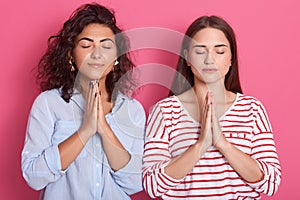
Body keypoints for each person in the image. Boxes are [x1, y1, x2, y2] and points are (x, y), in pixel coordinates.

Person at [142, 16, 281, 199]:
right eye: (200, 51)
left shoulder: (252, 109)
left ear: (231, 58)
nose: (210, 59)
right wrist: (201, 145)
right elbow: (152, 186)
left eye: (220, 51)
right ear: (187, 58)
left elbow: (271, 183)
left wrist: (222, 143)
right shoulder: (165, 111)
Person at [21, 3, 146, 200]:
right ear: (71, 55)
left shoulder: (132, 110)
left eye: (106, 46)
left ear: (115, 58)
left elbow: (135, 183)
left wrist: (103, 128)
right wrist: (85, 130)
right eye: (86, 45)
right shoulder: (48, 104)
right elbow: (34, 177)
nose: (96, 54)